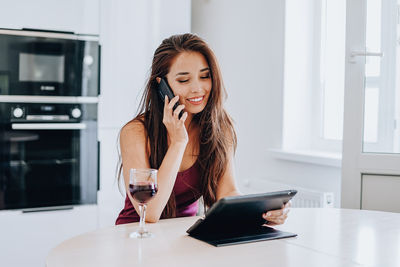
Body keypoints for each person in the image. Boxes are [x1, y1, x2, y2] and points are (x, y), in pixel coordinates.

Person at [116, 33, 290, 225]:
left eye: (205, 76)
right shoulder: (135, 132)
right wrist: (178, 141)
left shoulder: (220, 126)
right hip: (137, 235)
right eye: (183, 80)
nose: (198, 88)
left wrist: (261, 214)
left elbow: (227, 193)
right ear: (161, 84)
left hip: (182, 238)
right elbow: (149, 212)